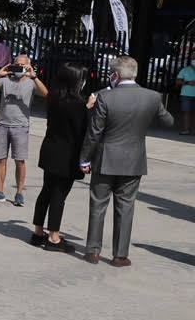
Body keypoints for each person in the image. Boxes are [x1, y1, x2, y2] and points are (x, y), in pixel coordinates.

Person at [79, 55, 174, 266]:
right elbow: (168, 121)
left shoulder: (105, 96)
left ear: (115, 75)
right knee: (126, 207)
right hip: (133, 160)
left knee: (98, 205)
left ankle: (93, 251)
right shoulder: (152, 96)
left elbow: (94, 132)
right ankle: (120, 255)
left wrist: (85, 158)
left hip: (106, 159)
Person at [30, 62, 89, 252]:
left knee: (46, 191)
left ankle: (39, 231)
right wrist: (88, 109)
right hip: (67, 154)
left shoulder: (54, 98)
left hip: (50, 150)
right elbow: (81, 130)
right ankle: (54, 237)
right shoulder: (78, 103)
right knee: (59, 195)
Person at [0, 54, 47, 205]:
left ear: (28, 66)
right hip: (2, 125)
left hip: (21, 126)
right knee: (1, 159)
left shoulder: (31, 82)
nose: (18, 68)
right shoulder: (5, 80)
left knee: (20, 161)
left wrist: (34, 76)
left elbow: (45, 94)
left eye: (22, 65)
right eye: (16, 64)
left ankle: (19, 193)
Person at [176, 52, 195, 135]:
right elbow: (178, 81)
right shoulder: (185, 70)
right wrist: (187, 82)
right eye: (193, 58)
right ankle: (186, 129)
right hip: (186, 95)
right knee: (187, 112)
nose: (194, 60)